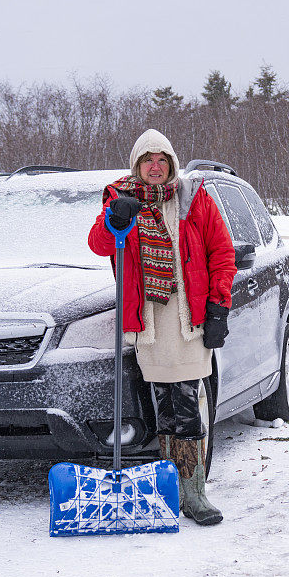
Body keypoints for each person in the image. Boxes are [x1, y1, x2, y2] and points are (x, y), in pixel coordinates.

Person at [88, 129, 237, 525]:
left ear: (171, 163)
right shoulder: (120, 198)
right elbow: (100, 245)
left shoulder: (194, 197)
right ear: (137, 165)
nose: (156, 167)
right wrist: (112, 219)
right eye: (147, 160)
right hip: (150, 324)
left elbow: (221, 253)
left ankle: (196, 494)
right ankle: (173, 489)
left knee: (187, 404)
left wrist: (219, 307)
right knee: (165, 409)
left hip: (187, 321)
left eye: (163, 159)